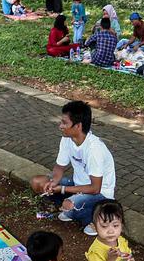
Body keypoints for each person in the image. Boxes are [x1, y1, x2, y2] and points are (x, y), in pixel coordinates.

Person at [30, 100, 117, 234]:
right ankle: (74, 206)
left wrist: (63, 188)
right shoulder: (67, 139)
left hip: (100, 194)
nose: (60, 126)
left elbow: (95, 188)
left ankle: (100, 217)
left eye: (65, 123)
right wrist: (53, 183)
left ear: (78, 126)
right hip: (78, 186)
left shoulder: (94, 149)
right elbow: (59, 167)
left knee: (69, 206)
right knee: (38, 183)